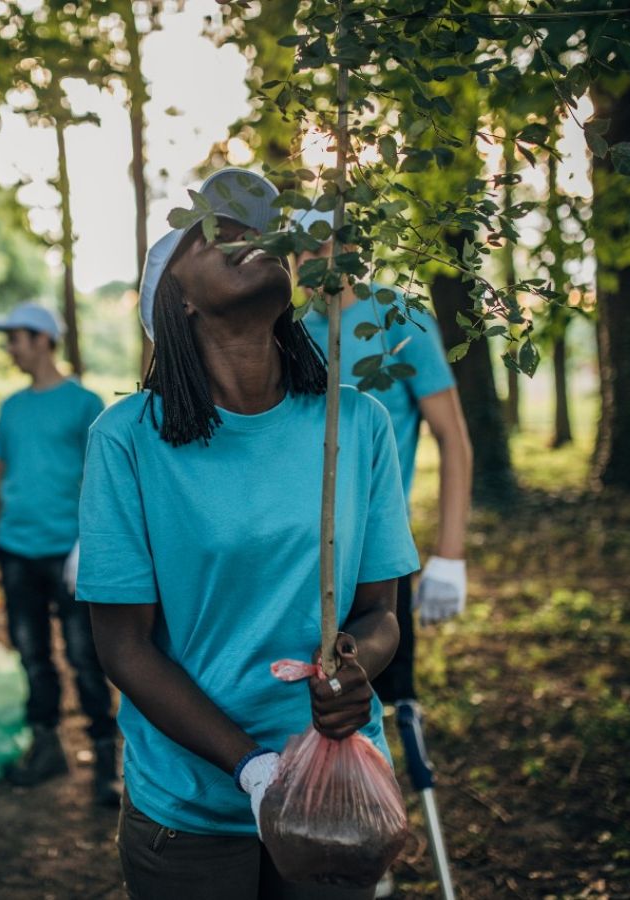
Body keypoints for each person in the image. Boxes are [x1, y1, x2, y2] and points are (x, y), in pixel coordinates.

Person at [76, 169, 420, 899]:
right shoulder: (126, 441)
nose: (244, 236)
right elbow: (122, 644)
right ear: (181, 300)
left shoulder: (354, 424)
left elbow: (380, 612)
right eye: (212, 232)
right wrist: (254, 770)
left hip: (337, 793)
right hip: (190, 809)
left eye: (259, 228)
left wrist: (356, 667)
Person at [294, 207, 473, 897]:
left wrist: (450, 554)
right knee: (315, 702)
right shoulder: (294, 334)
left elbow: (453, 437)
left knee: (384, 706)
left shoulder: (399, 318)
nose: (310, 257)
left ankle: (375, 855)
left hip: (381, 563)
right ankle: (320, 838)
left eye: (322, 242)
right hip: (305, 562)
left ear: (349, 246)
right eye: (299, 245)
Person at [0, 301, 120, 807]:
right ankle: (46, 748)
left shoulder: (85, 403)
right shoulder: (11, 407)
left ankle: (107, 762)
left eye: (14, 338)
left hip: (70, 554)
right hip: (18, 550)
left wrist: (93, 543)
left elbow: (105, 480)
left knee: (86, 658)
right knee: (31, 654)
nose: (9, 348)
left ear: (42, 339)